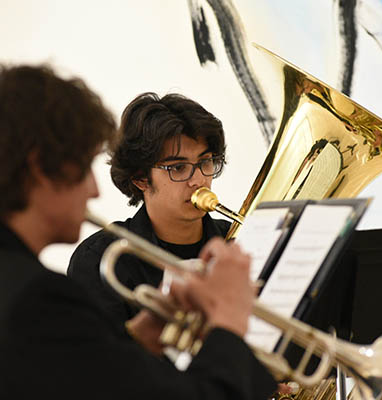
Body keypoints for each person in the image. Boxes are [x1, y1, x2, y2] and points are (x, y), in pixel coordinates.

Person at [0, 64, 278, 399]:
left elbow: (89, 379)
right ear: (40, 169)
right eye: (84, 167)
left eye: (206, 162)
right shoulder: (39, 296)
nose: (94, 191)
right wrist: (229, 323)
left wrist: (142, 335)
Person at [67, 92, 231, 330]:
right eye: (178, 167)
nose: (198, 180)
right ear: (140, 178)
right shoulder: (100, 259)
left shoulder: (237, 242)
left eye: (205, 162)